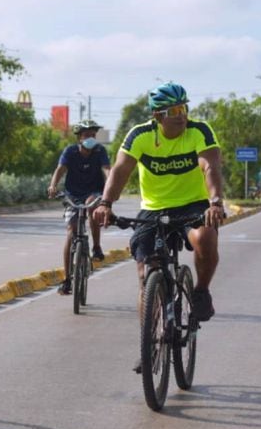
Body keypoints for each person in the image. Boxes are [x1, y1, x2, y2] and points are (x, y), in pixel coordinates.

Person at [92, 82, 225, 372]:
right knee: (145, 273)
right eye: (174, 110)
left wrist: (215, 203)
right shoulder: (140, 135)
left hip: (194, 204)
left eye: (185, 108)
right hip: (154, 209)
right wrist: (106, 203)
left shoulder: (199, 131)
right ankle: (149, 340)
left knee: (205, 239)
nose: (182, 115)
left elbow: (210, 166)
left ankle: (201, 291)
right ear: (157, 116)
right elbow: (121, 170)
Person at [48, 119, 112, 295]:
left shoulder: (100, 151)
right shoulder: (70, 151)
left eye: (93, 135)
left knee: (93, 208)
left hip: (94, 191)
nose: (90, 138)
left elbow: (107, 170)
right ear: (79, 138)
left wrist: (110, 187)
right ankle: (67, 279)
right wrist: (53, 185)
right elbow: (60, 169)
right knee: (71, 231)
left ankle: (96, 247)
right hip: (73, 195)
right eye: (86, 135)